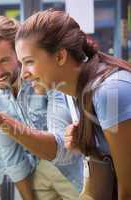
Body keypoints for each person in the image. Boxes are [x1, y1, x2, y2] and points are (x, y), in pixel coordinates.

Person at [14, 9, 131, 200]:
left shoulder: (110, 92)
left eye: (29, 62)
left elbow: (128, 191)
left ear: (60, 56)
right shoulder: (72, 92)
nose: (23, 74)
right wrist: (89, 142)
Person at [0, 15, 83, 200]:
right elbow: (12, 156)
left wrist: (2, 121)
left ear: (19, 54)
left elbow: (61, 148)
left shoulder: (46, 74)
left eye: (4, 60)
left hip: (75, 167)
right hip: (38, 171)